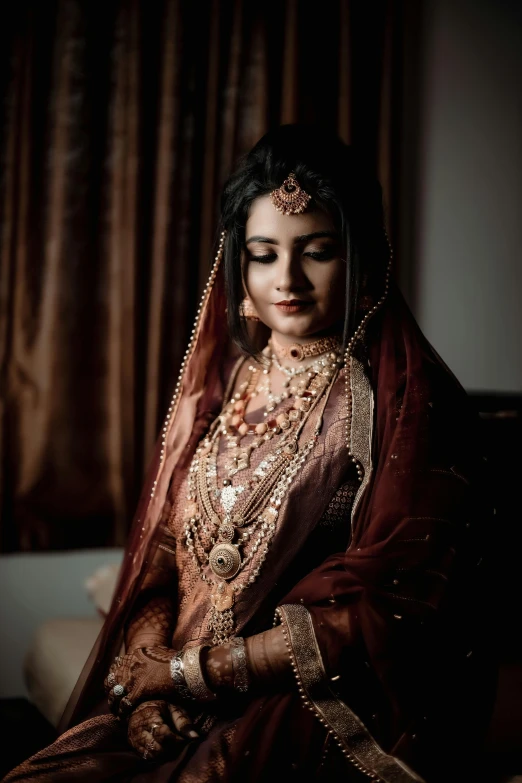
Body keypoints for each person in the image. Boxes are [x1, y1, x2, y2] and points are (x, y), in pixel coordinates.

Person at [4, 125, 496, 783]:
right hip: (182, 687)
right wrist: (149, 678)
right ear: (238, 264)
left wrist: (188, 673)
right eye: (263, 254)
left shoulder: (405, 403)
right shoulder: (229, 380)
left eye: (316, 251)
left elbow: (387, 612)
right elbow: (166, 557)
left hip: (306, 700)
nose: (286, 278)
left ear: (365, 258)